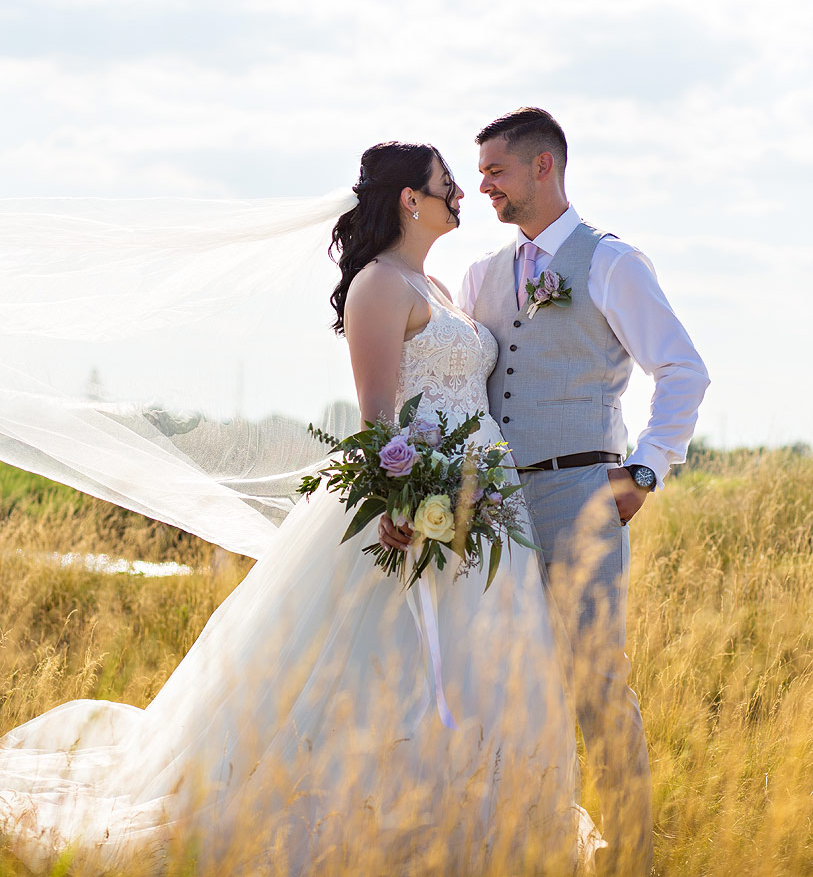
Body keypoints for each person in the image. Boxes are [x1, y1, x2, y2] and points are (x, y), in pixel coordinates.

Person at [0, 141, 595, 876]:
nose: (461, 196)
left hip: (481, 507)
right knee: (385, 670)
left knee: (481, 669)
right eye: (447, 186)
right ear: (411, 199)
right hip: (416, 506)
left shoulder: (435, 284)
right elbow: (379, 416)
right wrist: (403, 500)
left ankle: (472, 828)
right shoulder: (379, 285)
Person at [459, 108, 710, 876]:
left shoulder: (611, 261)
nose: (483, 187)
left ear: (543, 167)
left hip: (583, 492)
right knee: (501, 677)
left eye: (495, 171)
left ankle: (631, 855)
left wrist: (644, 471)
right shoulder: (477, 275)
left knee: (595, 680)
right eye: (478, 175)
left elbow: (682, 371)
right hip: (499, 506)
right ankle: (522, 840)